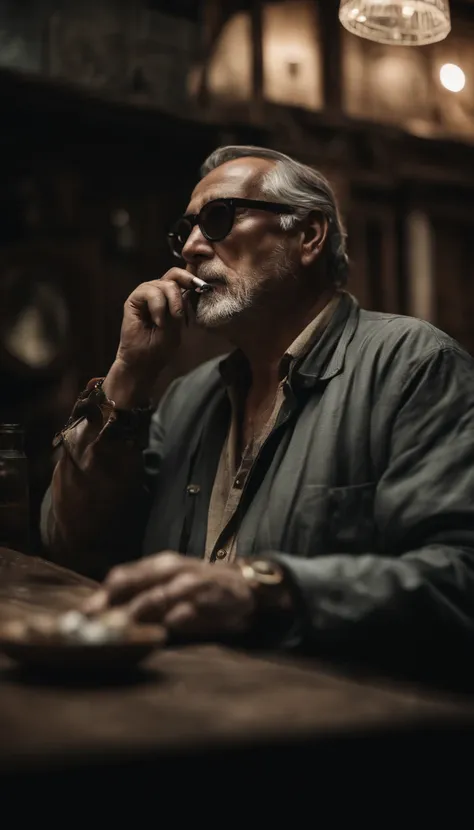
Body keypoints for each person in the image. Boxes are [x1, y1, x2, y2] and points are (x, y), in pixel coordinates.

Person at [41, 145, 474, 682]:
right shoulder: (186, 399)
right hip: (184, 709)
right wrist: (128, 374)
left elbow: (461, 578)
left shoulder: (412, 366)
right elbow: (69, 542)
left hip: (345, 731)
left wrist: (264, 589)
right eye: (186, 231)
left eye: (220, 218)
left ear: (309, 236)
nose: (193, 249)